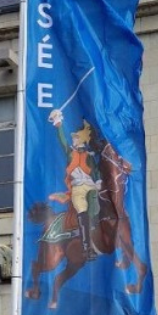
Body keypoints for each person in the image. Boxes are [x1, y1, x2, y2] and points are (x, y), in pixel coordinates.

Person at [48, 110, 101, 259]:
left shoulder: (88, 156)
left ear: (82, 140)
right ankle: (87, 248)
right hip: (77, 187)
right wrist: (58, 124)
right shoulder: (70, 153)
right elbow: (62, 140)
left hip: (90, 184)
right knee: (82, 211)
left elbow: (95, 170)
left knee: (99, 199)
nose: (73, 140)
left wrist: (98, 180)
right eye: (74, 138)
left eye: (76, 138)